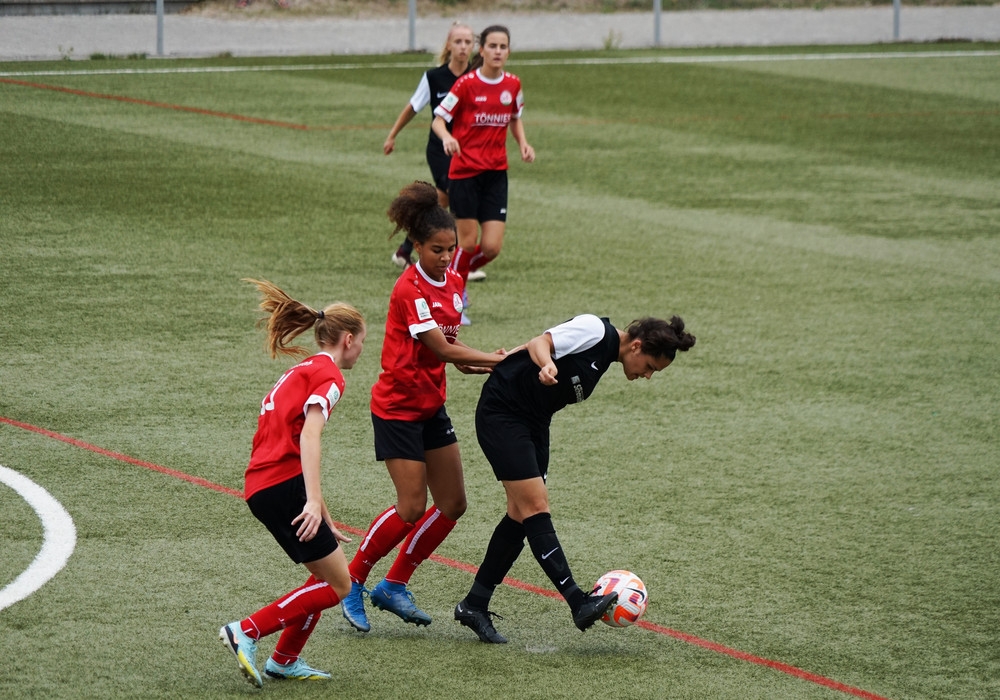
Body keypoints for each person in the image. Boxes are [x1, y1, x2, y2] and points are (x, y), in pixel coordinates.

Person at [453, 314, 696, 643]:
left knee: (520, 515)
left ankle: (474, 604)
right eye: (650, 366)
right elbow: (541, 343)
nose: (648, 375)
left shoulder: (607, 355)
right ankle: (577, 601)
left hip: (534, 423)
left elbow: (534, 349)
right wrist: (544, 364)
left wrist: (499, 359)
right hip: (503, 412)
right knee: (535, 508)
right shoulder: (595, 330)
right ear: (637, 346)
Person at [339, 180, 507, 634]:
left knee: (452, 503)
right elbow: (443, 348)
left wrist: (486, 363)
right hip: (397, 408)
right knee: (411, 506)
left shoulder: (453, 283)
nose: (446, 257)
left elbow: (452, 352)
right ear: (416, 246)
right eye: (437, 250)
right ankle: (351, 580)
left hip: (431, 405)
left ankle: (394, 584)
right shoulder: (408, 289)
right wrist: (498, 360)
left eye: (451, 249)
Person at [219, 279, 367, 687]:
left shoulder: (300, 370)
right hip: (283, 486)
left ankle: (285, 659)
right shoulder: (331, 377)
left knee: (324, 572)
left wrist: (324, 512)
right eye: (362, 343)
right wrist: (312, 501)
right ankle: (246, 630)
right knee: (340, 585)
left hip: (263, 485)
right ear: (348, 339)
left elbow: (289, 436)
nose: (361, 351)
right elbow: (308, 436)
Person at [432, 24, 535, 321]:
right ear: (482, 50)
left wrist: (523, 143)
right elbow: (439, 120)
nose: (498, 52)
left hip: (496, 174)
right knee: (466, 243)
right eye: (492, 46)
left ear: (509, 51)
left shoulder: (513, 84)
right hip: (464, 173)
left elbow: (514, 117)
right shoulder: (466, 84)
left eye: (503, 47)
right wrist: (447, 137)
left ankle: (451, 279)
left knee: (491, 247)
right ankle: (453, 299)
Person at [383, 21, 484, 283]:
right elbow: (413, 107)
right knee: (457, 195)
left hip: (468, 151)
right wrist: (392, 135)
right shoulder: (434, 78)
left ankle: (405, 249)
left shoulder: (478, 77)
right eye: (458, 41)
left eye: (468, 42)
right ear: (449, 45)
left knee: (439, 201)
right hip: (440, 150)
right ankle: (460, 260)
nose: (463, 47)